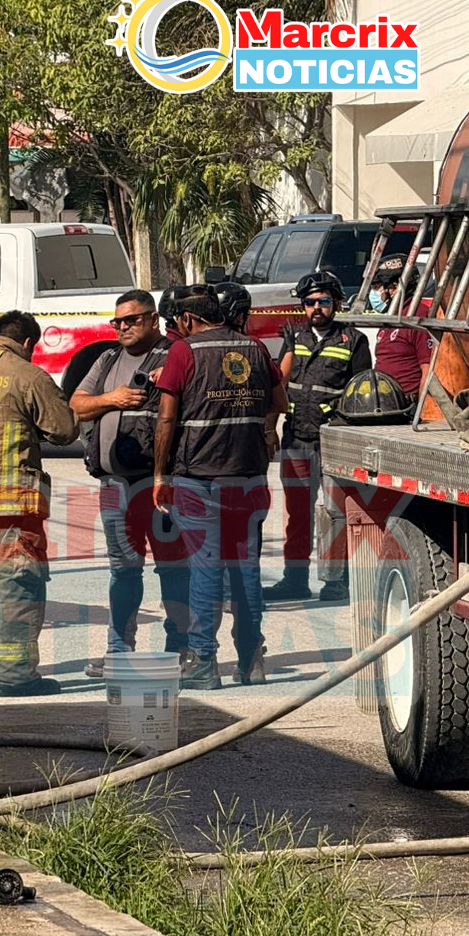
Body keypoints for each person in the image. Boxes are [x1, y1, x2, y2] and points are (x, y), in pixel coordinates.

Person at [153, 285, 285, 688]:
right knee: (246, 571)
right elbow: (279, 401)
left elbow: (165, 420)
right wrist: (262, 428)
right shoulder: (256, 349)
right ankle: (251, 661)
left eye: (179, 322)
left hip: (200, 479)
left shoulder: (184, 352)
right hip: (249, 477)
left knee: (205, 571)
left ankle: (204, 663)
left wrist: (160, 475)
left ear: (190, 319)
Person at [0, 311, 78, 698]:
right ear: (27, 343)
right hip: (13, 506)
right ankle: (14, 676)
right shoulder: (28, 375)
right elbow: (64, 428)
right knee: (17, 588)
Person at [70, 290, 193, 679]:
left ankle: (180, 647)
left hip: (158, 487)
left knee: (173, 569)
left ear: (153, 319)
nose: (122, 328)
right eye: (117, 322)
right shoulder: (107, 359)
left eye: (131, 320)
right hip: (114, 485)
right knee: (123, 571)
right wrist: (114, 398)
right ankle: (119, 651)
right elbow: (77, 403)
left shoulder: (175, 356)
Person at [265, 270, 372, 604]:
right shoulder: (293, 337)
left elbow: (362, 392)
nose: (316, 308)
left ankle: (335, 581)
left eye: (323, 301)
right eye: (309, 302)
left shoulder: (353, 340)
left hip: (333, 440)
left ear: (336, 303)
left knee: (335, 513)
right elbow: (278, 384)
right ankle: (295, 580)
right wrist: (270, 428)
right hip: (297, 438)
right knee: (297, 513)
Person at [365, 254, 434, 398]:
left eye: (377, 287)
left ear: (394, 287)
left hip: (407, 403)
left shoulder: (416, 316)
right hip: (383, 400)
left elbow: (428, 369)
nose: (375, 294)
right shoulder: (393, 317)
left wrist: (420, 411)